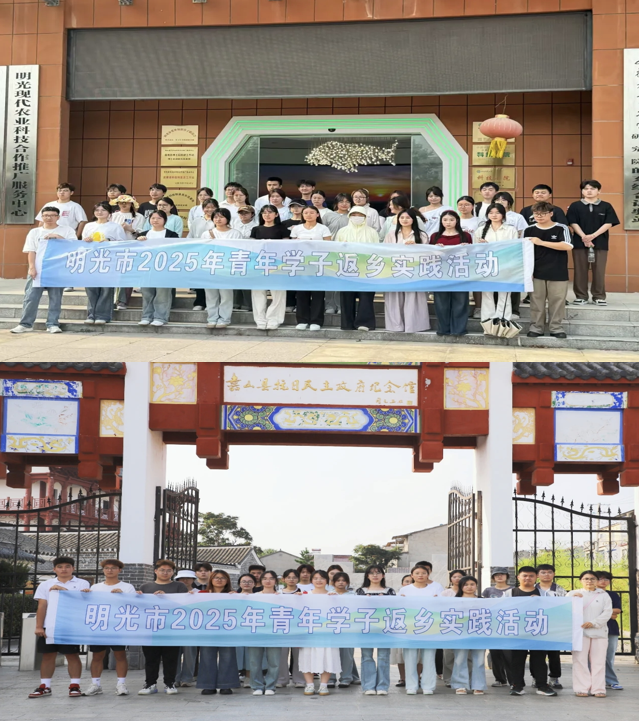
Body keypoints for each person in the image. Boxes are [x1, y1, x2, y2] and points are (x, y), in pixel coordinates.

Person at [28, 556, 89, 698]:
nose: (64, 569)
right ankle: (45, 686)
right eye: (60, 567)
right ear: (54, 569)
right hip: (50, 626)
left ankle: (75, 686)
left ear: (73, 568)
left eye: (67, 566)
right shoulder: (46, 585)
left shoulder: (82, 583)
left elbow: (83, 604)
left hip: (70, 626)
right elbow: (42, 606)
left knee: (72, 655)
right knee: (48, 655)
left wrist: (64, 591)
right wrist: (39, 626)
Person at [11, 207, 77, 335]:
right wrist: (32, 267)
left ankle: (53, 324)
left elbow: (74, 246)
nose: (49, 218)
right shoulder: (35, 232)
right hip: (38, 269)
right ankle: (25, 324)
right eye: (46, 215)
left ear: (58, 217)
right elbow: (31, 250)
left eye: (52, 215)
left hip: (57, 270)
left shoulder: (67, 230)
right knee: (31, 297)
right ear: (42, 217)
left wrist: (59, 237)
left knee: (55, 298)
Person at [82, 559, 136, 697]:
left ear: (119, 570)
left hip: (118, 625)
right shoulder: (95, 587)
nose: (110, 570)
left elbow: (133, 604)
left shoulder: (127, 587)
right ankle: (95, 684)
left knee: (120, 654)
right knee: (97, 655)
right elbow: (88, 605)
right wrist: (85, 595)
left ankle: (121, 684)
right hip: (99, 625)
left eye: (113, 568)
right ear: (103, 570)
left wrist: (122, 596)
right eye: (107, 568)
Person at [504, 566, 557, 696]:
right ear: (518, 577)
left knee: (539, 659)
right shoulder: (510, 593)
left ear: (536, 577)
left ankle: (542, 685)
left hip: (538, 631)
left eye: (531, 576)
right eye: (525, 575)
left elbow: (552, 610)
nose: (528, 578)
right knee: (516, 659)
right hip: (517, 631)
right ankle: (517, 685)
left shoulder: (544, 594)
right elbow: (502, 609)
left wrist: (540, 602)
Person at [138, 559, 188, 695]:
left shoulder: (179, 586)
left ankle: (170, 683)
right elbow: (141, 607)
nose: (165, 573)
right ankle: (150, 684)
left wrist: (167, 598)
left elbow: (184, 604)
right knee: (151, 659)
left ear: (173, 572)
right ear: (155, 571)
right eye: (162, 570)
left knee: (170, 658)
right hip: (151, 628)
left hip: (171, 628)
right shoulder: (146, 587)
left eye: (169, 570)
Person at [523, 201, 573, 339]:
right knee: (536, 301)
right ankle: (536, 327)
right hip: (536, 272)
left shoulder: (561, 228)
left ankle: (556, 328)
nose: (539, 216)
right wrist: (527, 271)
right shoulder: (529, 230)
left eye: (543, 213)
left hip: (558, 270)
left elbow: (568, 246)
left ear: (551, 214)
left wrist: (542, 242)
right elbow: (524, 251)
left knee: (557, 301)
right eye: (536, 214)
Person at [567, 179, 620, 306]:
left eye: (592, 188)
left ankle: (599, 296)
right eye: (586, 189)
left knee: (599, 270)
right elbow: (573, 222)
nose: (589, 191)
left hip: (600, 243)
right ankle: (581, 296)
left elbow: (609, 223)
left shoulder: (606, 206)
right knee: (580, 270)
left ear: (599, 191)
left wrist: (593, 236)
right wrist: (584, 237)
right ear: (582, 191)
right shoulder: (575, 206)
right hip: (580, 243)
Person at [382, 208, 430, 333]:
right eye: (402, 217)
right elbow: (384, 252)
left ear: (413, 219)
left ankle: (414, 325)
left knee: (413, 298)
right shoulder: (391, 234)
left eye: (408, 217)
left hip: (414, 271)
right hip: (394, 270)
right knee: (394, 299)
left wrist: (416, 247)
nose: (404, 220)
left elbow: (427, 254)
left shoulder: (422, 235)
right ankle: (395, 326)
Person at [567, 570, 613, 698]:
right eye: (586, 578)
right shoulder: (572, 594)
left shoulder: (603, 595)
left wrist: (593, 623)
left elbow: (607, 612)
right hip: (579, 633)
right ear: (581, 580)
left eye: (592, 579)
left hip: (599, 632)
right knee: (579, 661)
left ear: (597, 581)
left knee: (599, 662)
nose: (589, 581)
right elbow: (565, 609)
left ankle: (598, 689)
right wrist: (573, 599)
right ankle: (581, 688)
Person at [474, 203, 519, 331]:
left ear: (503, 215)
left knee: (504, 295)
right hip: (486, 266)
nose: (494, 215)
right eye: (491, 212)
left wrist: (491, 245)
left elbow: (514, 248)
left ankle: (503, 324)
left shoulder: (510, 230)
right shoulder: (480, 230)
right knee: (487, 295)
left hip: (506, 265)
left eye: (497, 212)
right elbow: (474, 250)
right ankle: (488, 325)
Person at [399, 564, 442, 695]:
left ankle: (428, 686)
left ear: (428, 574)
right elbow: (398, 607)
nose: (420, 575)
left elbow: (442, 606)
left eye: (423, 573)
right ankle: (411, 685)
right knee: (410, 657)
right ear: (412, 575)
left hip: (430, 626)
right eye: (417, 573)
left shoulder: (435, 589)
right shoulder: (404, 590)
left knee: (429, 657)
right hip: (410, 626)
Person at [81, 201, 127, 326]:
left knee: (106, 289)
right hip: (91, 260)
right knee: (91, 288)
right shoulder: (88, 226)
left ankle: (103, 315)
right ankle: (91, 314)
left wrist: (109, 240)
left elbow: (122, 243)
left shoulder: (115, 227)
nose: (100, 212)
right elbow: (82, 243)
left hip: (108, 260)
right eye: (97, 210)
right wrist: (86, 240)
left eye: (103, 210)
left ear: (109, 213)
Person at [335, 208, 379, 331]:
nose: (357, 217)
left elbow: (377, 249)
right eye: (354, 214)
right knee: (347, 296)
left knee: (366, 296)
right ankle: (347, 323)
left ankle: (365, 323)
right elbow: (336, 249)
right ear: (349, 216)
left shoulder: (372, 232)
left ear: (365, 217)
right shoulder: (342, 231)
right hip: (347, 268)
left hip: (366, 268)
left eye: (360, 214)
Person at [197, 570, 240, 695]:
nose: (219, 580)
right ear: (211, 579)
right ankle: (208, 685)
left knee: (228, 657)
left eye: (223, 578)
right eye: (216, 577)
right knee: (206, 657)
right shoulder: (202, 594)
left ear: (227, 580)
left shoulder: (233, 594)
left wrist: (238, 597)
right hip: (207, 631)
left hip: (227, 631)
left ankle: (226, 685)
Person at [430, 210, 473, 336]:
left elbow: (472, 254)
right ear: (441, 221)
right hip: (441, 273)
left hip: (460, 272)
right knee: (441, 303)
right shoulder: (435, 236)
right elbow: (428, 255)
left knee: (460, 302)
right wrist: (435, 250)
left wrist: (466, 248)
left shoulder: (465, 236)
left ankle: (459, 329)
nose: (448, 222)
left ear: (457, 221)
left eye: (451, 220)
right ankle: (443, 329)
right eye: (445, 220)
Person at [299, 570, 341, 695]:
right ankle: (309, 685)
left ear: (327, 580)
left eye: (322, 578)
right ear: (311, 580)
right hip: (309, 631)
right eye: (316, 578)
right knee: (307, 656)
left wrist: (336, 599)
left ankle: (323, 685)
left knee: (328, 656)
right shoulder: (304, 595)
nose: (319, 581)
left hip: (327, 633)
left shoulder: (333, 595)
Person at [291, 206, 332, 330]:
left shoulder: (323, 228)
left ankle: (316, 321)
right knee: (301, 293)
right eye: (306, 213)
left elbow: (329, 246)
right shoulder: (297, 229)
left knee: (318, 294)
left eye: (312, 212)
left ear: (317, 214)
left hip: (318, 264)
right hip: (301, 264)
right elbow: (292, 246)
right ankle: (302, 320)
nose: (308, 215)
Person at [136, 210, 180, 327]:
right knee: (147, 293)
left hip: (164, 268)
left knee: (162, 294)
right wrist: (139, 241)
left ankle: (160, 317)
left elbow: (176, 250)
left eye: (159, 218)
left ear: (165, 220)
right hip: (146, 268)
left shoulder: (172, 235)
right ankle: (146, 316)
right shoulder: (143, 235)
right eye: (153, 218)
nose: (155, 220)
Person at [356, 565, 395, 695]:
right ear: (367, 576)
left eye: (378, 573)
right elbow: (356, 609)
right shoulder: (361, 591)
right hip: (366, 627)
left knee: (383, 657)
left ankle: (382, 686)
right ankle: (368, 686)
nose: (375, 575)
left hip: (384, 627)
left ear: (383, 575)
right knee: (367, 656)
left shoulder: (389, 591)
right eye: (372, 573)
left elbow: (394, 608)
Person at [250, 206, 290, 330]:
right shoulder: (256, 229)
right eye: (264, 213)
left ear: (276, 214)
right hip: (259, 263)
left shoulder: (282, 229)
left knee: (278, 293)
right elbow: (251, 247)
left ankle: (274, 319)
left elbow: (286, 247)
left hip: (277, 264)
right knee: (258, 292)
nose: (267, 215)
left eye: (270, 212)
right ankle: (260, 320)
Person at [201, 208, 242, 329]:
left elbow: (239, 251)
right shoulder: (206, 234)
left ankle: (224, 319)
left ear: (227, 219)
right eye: (215, 217)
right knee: (211, 295)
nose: (218, 219)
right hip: (210, 267)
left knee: (226, 295)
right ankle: (212, 318)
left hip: (227, 268)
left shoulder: (235, 234)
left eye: (221, 217)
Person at [247, 570, 282, 695]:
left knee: (274, 661)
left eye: (271, 578)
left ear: (275, 581)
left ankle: (270, 686)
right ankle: (257, 686)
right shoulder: (253, 596)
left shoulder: (281, 596)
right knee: (254, 661)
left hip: (275, 632)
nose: (268, 581)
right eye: (265, 578)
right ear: (260, 581)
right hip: (256, 632)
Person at [451, 576, 487, 695]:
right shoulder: (454, 601)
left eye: (472, 584)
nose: (469, 587)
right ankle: (460, 684)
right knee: (460, 659)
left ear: (476, 586)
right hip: (460, 634)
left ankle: (478, 685)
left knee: (479, 660)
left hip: (479, 633)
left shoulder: (483, 600)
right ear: (461, 586)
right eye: (466, 585)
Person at [111, 195, 144, 310]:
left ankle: (122, 301)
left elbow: (142, 233)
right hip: (116, 248)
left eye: (126, 202)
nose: (123, 204)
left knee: (127, 275)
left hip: (132, 248)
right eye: (121, 202)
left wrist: (131, 229)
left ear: (132, 204)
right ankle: (112, 300)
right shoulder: (113, 216)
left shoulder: (139, 217)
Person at [481, 567, 513, 687]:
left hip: (508, 624)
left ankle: (513, 680)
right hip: (493, 625)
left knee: (509, 655)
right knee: (495, 654)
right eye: (496, 575)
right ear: (493, 577)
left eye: (502, 574)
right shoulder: (488, 591)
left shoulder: (513, 590)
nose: (499, 576)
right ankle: (500, 679)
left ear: (507, 576)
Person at [327, 572, 358, 688]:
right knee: (330, 654)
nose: (341, 583)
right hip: (330, 628)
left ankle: (346, 678)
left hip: (348, 628)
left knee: (347, 655)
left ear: (347, 582)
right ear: (333, 582)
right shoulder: (328, 594)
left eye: (343, 580)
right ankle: (330, 678)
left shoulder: (353, 595)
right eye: (338, 580)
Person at [596, 571, 623, 691]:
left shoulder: (612, 594)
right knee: (592, 655)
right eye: (600, 579)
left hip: (611, 628)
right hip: (593, 628)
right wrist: (609, 613)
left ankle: (610, 681)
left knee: (609, 655)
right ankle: (594, 681)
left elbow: (617, 610)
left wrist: (604, 612)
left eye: (606, 579)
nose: (603, 581)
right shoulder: (589, 594)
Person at [391, 575, 414, 687]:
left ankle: (416, 677)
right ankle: (403, 678)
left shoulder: (421, 595)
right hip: (401, 629)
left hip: (416, 628)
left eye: (411, 582)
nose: (409, 584)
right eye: (406, 581)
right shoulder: (397, 596)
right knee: (400, 655)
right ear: (402, 583)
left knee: (418, 656)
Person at [235, 573, 257, 687]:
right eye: (244, 581)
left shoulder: (260, 597)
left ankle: (249, 678)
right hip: (237, 629)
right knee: (236, 653)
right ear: (239, 584)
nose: (246, 584)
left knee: (251, 653)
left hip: (253, 629)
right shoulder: (233, 596)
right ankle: (235, 677)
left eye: (249, 581)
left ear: (254, 584)